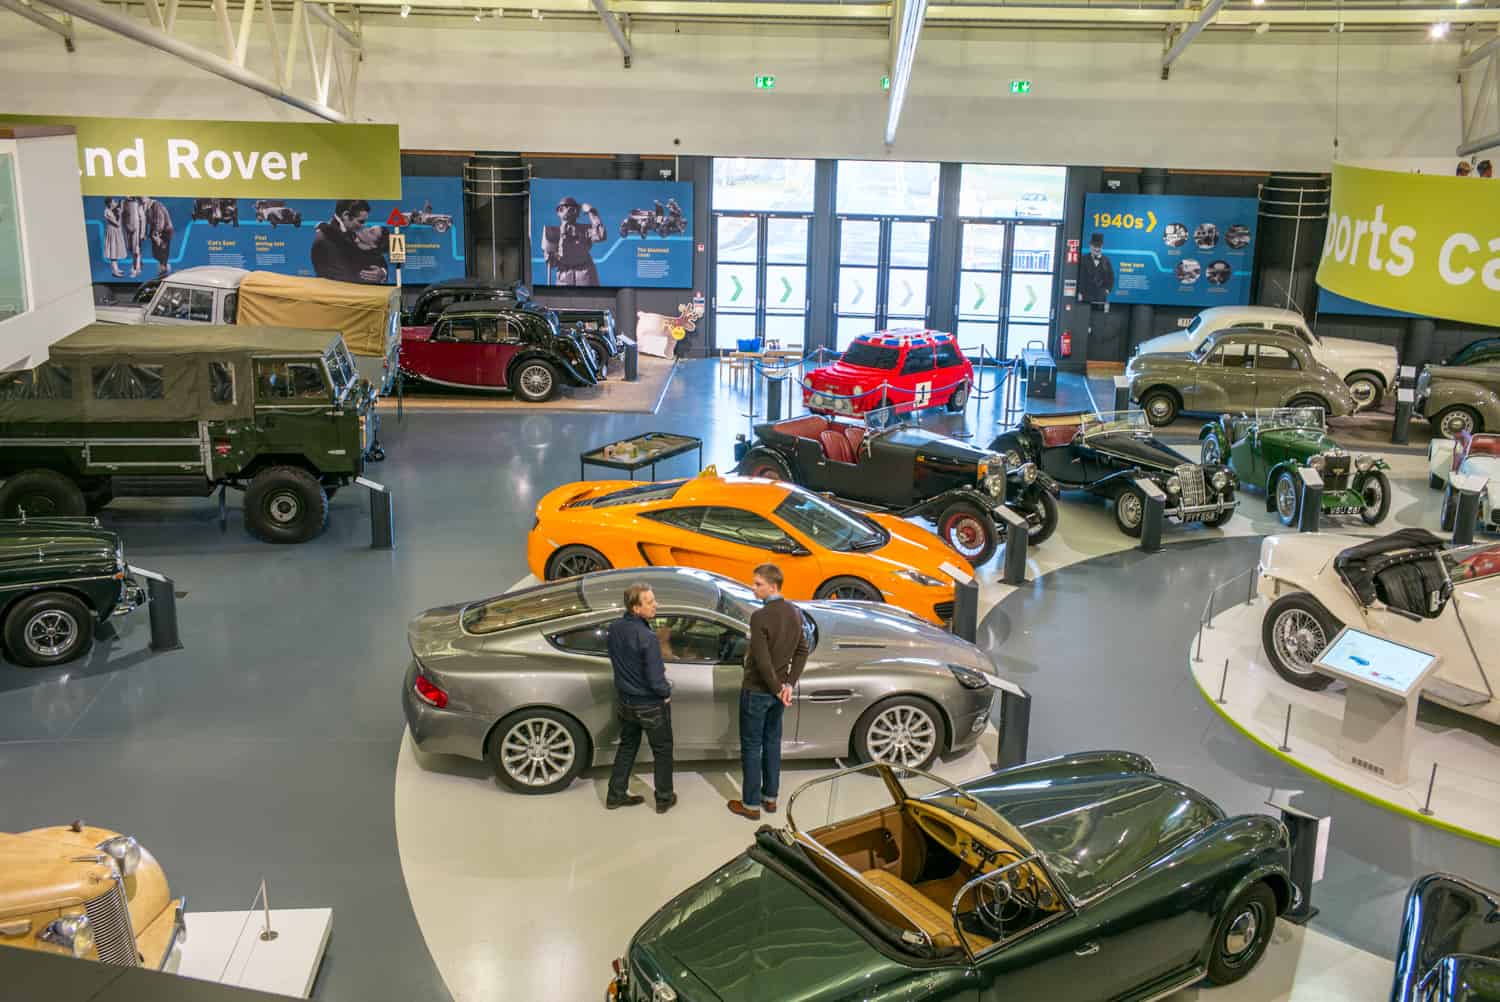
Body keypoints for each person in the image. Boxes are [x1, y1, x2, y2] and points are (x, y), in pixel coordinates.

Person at [727, 564, 809, 821]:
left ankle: (751, 805)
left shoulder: (760, 617)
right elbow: (802, 651)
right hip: (778, 694)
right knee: (772, 744)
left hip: (757, 692)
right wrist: (788, 686)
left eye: (758, 584)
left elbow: (762, 663)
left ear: (773, 586)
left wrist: (777, 689)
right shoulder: (795, 612)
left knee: (752, 748)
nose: (754, 588)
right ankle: (770, 798)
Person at [605, 583, 676, 814]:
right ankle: (664, 798)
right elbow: (655, 679)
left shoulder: (614, 628)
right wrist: (666, 693)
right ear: (636, 608)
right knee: (662, 751)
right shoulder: (647, 637)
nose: (656, 605)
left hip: (626, 702)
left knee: (627, 747)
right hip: (650, 705)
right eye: (650, 602)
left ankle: (615, 795)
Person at [311, 199, 389, 284]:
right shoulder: (326, 239)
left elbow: (378, 259)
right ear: (346, 215)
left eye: (371, 232)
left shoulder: (351, 234)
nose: (363, 227)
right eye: (361, 221)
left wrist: (383, 273)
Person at [540, 197, 606, 286]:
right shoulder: (553, 232)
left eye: (573, 209)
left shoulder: (585, 230)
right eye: (564, 208)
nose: (569, 212)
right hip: (564, 277)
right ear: (559, 212)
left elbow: (601, 235)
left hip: (586, 275)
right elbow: (551, 263)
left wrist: (592, 213)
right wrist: (563, 231)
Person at [1078, 232, 1114, 304]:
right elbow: (1079, 277)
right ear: (1090, 246)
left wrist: (1107, 290)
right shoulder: (1083, 259)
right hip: (1085, 296)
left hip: (1100, 297)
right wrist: (1079, 292)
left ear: (1102, 246)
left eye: (1099, 246)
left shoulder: (1106, 260)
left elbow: (1111, 277)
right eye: (1095, 246)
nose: (1097, 249)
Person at [144, 197, 174, 278]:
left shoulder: (156, 206)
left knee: (161, 252)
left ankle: (164, 270)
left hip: (164, 232)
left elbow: (160, 221)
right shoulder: (150, 207)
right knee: (157, 253)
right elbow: (150, 221)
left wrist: (156, 234)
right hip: (159, 232)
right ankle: (163, 269)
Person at [121, 196, 146, 279]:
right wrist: (126, 226)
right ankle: (138, 265)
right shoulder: (124, 202)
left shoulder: (137, 203)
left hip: (136, 230)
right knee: (132, 249)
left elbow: (142, 218)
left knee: (136, 250)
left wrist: (142, 233)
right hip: (128, 230)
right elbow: (123, 216)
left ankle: (136, 269)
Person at [102, 198, 126, 278]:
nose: (115, 203)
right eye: (113, 202)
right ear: (109, 203)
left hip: (116, 232)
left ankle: (116, 269)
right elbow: (117, 224)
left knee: (115, 251)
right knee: (113, 251)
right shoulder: (107, 212)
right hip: (112, 233)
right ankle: (114, 271)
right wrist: (120, 214)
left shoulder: (112, 210)